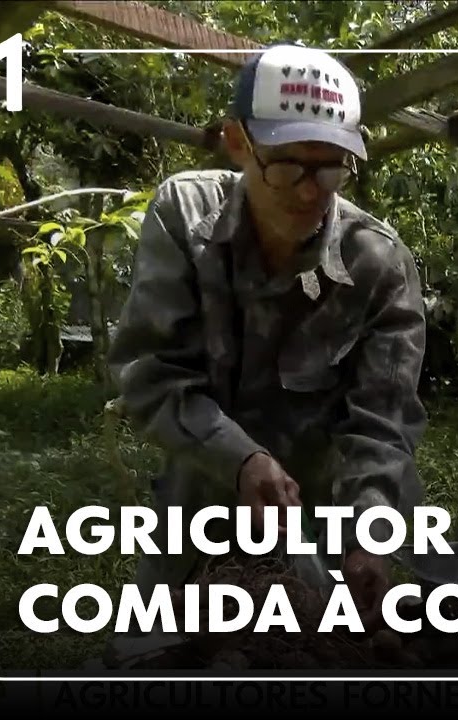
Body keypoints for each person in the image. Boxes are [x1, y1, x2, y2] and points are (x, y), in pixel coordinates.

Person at [103, 44, 426, 666]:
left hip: (333, 513)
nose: (310, 193)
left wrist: (370, 532)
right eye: (288, 167)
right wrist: (241, 458)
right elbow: (151, 375)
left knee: (357, 654)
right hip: (201, 501)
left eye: (331, 168)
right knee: (158, 661)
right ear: (237, 142)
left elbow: (383, 423)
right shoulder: (183, 216)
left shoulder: (378, 263)